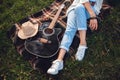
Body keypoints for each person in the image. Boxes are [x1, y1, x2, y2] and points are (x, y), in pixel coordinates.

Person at [47, 0, 103, 75]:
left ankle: (81, 45)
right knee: (71, 27)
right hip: (76, 7)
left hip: (92, 8)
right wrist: (93, 16)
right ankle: (59, 60)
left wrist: (93, 13)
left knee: (71, 27)